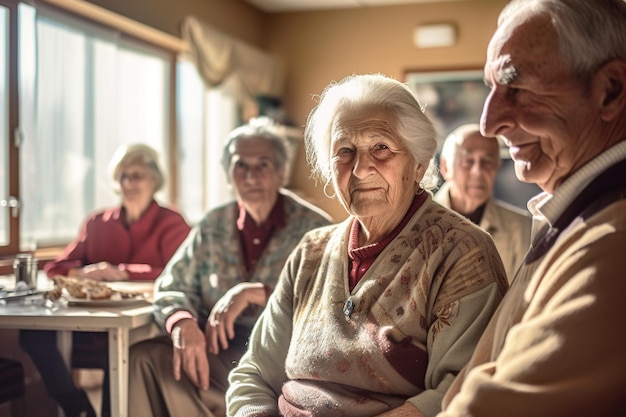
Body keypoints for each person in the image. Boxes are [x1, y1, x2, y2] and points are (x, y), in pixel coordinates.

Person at [225, 74, 509, 417]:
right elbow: (254, 372)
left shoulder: (461, 252)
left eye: (381, 148)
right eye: (344, 151)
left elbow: (460, 391)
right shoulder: (309, 252)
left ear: (418, 164)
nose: (360, 169)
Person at [438, 1, 626, 416]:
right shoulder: (576, 215)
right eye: (491, 89)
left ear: (610, 90)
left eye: (517, 87)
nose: (490, 123)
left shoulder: (611, 245)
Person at [128, 117, 333, 417]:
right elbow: (172, 284)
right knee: (143, 358)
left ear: (281, 172)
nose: (251, 177)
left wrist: (259, 293)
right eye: (241, 166)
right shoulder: (213, 226)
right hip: (219, 353)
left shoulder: (315, 229)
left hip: (285, 360)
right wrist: (182, 323)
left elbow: (331, 301)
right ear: (229, 175)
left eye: (262, 165)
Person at [20, 143, 191, 417]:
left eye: (137, 175)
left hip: (145, 323)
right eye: (123, 176)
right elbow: (56, 267)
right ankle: (75, 405)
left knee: (124, 346)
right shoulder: (97, 222)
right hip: (89, 319)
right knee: (33, 334)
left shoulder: (172, 221)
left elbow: (180, 272)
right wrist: (80, 272)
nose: (128, 183)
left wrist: (125, 271)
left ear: (154, 180)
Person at [434, 123, 531, 280]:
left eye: (487, 162)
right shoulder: (417, 222)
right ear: (445, 167)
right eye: (468, 161)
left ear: (497, 168)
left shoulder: (524, 230)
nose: (478, 171)